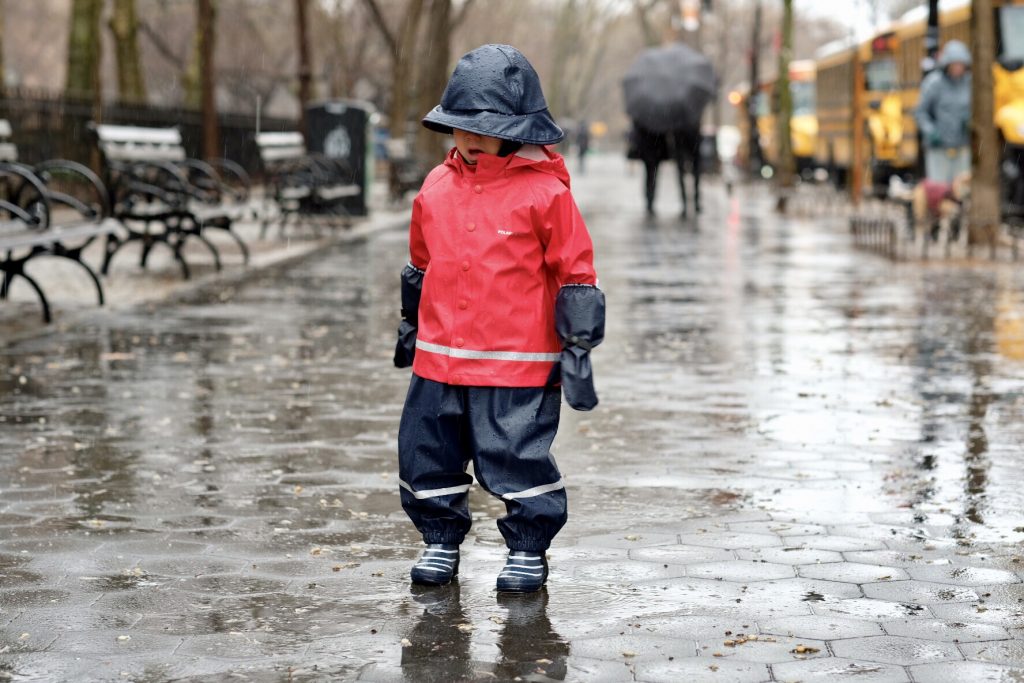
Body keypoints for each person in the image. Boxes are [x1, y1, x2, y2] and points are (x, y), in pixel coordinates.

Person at [392, 44, 605, 594]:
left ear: (518, 129)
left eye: (485, 127)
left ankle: (527, 547)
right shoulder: (436, 187)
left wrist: (577, 345)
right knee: (427, 450)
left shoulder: (544, 193)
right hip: (440, 355)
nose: (469, 137)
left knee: (516, 454)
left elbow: (575, 269)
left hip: (516, 361)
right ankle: (439, 538)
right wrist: (411, 323)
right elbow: (421, 259)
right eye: (461, 126)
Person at [915, 39, 972, 184]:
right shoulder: (934, 83)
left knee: (961, 188)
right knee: (940, 188)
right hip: (938, 147)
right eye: (954, 64)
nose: (958, 68)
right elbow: (920, 112)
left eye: (961, 64)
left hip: (962, 145)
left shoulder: (970, 83)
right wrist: (931, 131)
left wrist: (970, 121)